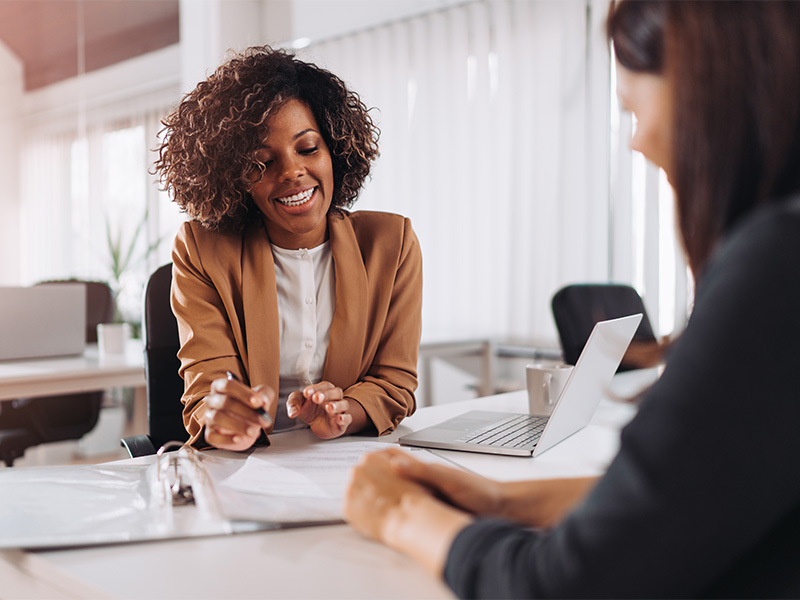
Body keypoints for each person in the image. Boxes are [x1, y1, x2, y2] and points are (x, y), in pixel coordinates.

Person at [343, 1, 800, 597]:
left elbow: (569, 584)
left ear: (711, 88)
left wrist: (399, 514)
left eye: (634, 109)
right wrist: (499, 498)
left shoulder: (776, 264)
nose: (638, 141)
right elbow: (691, 499)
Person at [154, 47, 422, 451]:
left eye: (308, 148)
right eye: (262, 163)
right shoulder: (201, 249)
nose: (292, 172)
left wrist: (345, 413)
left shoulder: (391, 243)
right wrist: (224, 417)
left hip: (346, 462)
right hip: (244, 470)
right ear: (235, 179)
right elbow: (207, 389)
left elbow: (394, 382)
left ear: (334, 148)